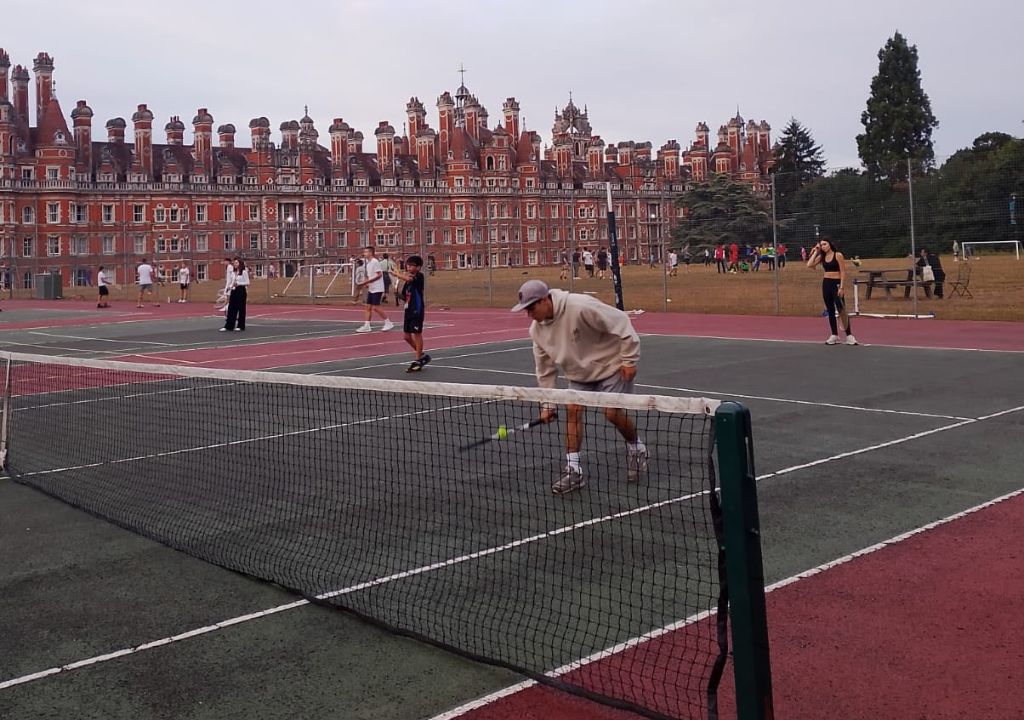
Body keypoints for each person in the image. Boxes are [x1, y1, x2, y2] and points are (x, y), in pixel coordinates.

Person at [511, 279, 647, 495]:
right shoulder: (536, 332)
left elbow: (620, 320)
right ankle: (573, 470)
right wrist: (548, 405)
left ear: (545, 300)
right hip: (578, 374)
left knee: (612, 414)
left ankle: (636, 448)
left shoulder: (580, 306)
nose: (529, 314)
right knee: (572, 411)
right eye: (526, 310)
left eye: (531, 308)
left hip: (611, 365)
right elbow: (545, 370)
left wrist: (629, 360)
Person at [807, 237, 857, 345]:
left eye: (825, 244)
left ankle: (849, 335)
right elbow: (809, 265)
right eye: (821, 245)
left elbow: (843, 272)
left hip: (837, 283)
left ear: (829, 244)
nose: (823, 246)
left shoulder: (838, 255)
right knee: (830, 310)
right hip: (826, 284)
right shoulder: (822, 256)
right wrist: (815, 251)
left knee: (841, 309)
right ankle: (834, 335)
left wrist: (842, 287)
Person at [391, 255, 431, 372]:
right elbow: (405, 296)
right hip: (408, 310)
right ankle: (422, 355)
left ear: (418, 267)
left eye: (411, 265)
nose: (408, 267)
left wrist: (396, 274)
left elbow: (409, 279)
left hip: (417, 310)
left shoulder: (419, 276)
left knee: (416, 334)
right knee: (406, 336)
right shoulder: (407, 282)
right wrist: (397, 294)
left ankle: (418, 360)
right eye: (407, 265)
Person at [356, 246, 393, 333]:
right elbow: (370, 275)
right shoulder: (368, 264)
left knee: (376, 307)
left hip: (377, 288)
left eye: (366, 252)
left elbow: (379, 275)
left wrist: (369, 281)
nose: (364, 254)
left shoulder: (375, 262)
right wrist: (366, 283)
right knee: (368, 307)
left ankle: (388, 322)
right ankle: (367, 325)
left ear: (370, 253)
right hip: (372, 288)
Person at [222, 257, 249, 332]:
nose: (235, 264)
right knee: (231, 308)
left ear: (240, 263)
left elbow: (247, 282)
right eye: (234, 263)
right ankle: (229, 326)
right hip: (233, 291)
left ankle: (240, 326)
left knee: (241, 309)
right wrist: (229, 288)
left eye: (237, 263)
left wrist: (238, 283)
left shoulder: (243, 272)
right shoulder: (233, 272)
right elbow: (231, 281)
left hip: (241, 291)